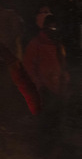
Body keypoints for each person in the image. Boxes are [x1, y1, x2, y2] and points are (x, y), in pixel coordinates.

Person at [22, 14, 70, 157]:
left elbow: (62, 66)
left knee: (56, 125)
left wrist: (65, 81)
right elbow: (28, 68)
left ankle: (54, 151)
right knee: (44, 127)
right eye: (51, 27)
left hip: (57, 91)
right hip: (44, 93)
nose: (54, 30)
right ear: (45, 28)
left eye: (56, 27)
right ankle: (41, 153)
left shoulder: (58, 44)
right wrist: (39, 87)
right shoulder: (36, 44)